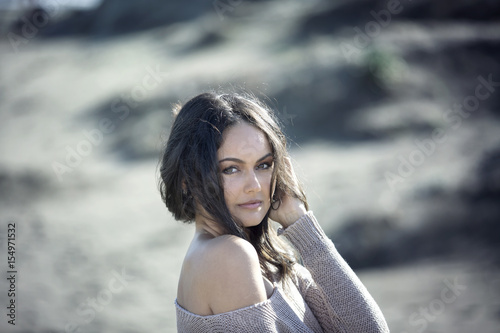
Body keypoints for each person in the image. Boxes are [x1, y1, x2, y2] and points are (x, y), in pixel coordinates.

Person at [158, 91, 390, 332]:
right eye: (231, 169)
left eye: (263, 165)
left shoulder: (269, 259)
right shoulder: (227, 256)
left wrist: (299, 222)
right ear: (187, 179)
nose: (255, 186)